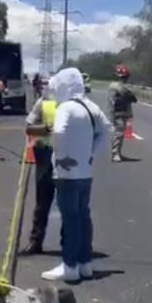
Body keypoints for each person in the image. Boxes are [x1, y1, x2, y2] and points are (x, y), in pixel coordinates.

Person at [41, 67, 113, 282]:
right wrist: (91, 152)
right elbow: (107, 130)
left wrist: (61, 157)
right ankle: (85, 263)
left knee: (70, 219)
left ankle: (69, 266)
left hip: (66, 174)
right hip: (85, 173)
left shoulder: (66, 108)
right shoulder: (91, 107)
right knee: (83, 217)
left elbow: (59, 131)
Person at [20, 89, 57, 256]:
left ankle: (70, 243)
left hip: (67, 158)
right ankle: (36, 241)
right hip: (46, 156)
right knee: (42, 202)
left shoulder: (76, 104)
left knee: (70, 205)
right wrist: (48, 129)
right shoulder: (45, 102)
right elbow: (31, 128)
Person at [108, 64, 137, 162]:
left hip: (123, 112)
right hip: (118, 112)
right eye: (123, 77)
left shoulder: (122, 86)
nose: (125, 79)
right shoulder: (116, 86)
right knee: (118, 133)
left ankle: (118, 153)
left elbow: (132, 98)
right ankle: (115, 153)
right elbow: (113, 101)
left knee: (121, 134)